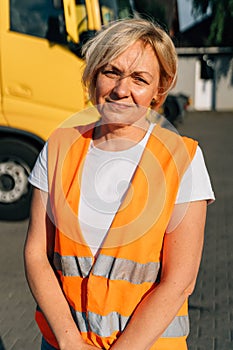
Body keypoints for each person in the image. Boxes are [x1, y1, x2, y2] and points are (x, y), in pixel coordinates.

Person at [24, 18, 215, 350]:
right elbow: (36, 255)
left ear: (159, 89)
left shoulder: (182, 158)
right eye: (110, 72)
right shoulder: (58, 147)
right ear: (94, 75)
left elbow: (179, 281)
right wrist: (70, 343)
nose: (121, 89)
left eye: (139, 79)